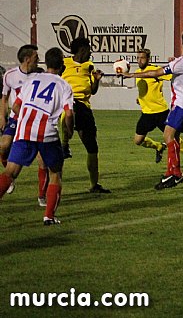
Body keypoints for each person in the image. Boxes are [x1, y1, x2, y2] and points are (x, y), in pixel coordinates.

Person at [0, 47, 74, 225]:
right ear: (62, 66)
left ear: (46, 63)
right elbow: (69, 114)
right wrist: (69, 131)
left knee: (10, 172)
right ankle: (48, 216)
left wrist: (26, 118)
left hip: (24, 131)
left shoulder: (32, 80)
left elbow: (16, 106)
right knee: (55, 172)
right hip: (47, 135)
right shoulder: (64, 85)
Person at [123, 30, 183, 190]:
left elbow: (156, 72)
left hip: (182, 104)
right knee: (174, 136)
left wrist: (132, 75)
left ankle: (174, 174)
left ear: (182, 42)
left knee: (168, 135)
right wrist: (175, 61)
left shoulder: (181, 63)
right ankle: (173, 172)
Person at [0, 45, 50, 206]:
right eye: (36, 56)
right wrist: (2, 116)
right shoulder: (10, 75)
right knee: (3, 146)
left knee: (42, 160)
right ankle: (10, 179)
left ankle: (42, 196)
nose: (38, 59)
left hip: (34, 121)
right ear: (27, 59)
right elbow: (5, 98)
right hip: (16, 119)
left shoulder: (40, 75)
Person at [133, 48, 183, 170]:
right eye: (138, 58)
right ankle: (158, 146)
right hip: (146, 114)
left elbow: (172, 74)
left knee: (174, 137)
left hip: (161, 112)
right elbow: (144, 91)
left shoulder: (155, 71)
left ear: (148, 59)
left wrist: (174, 63)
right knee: (137, 141)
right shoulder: (137, 73)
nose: (139, 60)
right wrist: (140, 98)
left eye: (142, 58)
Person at [61, 37, 110, 193]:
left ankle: (94, 185)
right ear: (82, 50)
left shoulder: (89, 66)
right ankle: (64, 144)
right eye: (89, 49)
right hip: (68, 103)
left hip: (85, 108)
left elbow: (93, 91)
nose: (91, 52)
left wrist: (96, 80)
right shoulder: (64, 64)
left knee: (92, 147)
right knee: (71, 110)